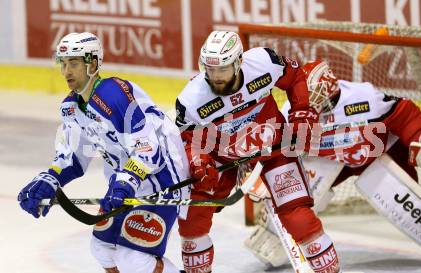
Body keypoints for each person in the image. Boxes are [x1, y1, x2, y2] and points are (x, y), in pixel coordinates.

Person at [17, 32, 189, 273]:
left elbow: (149, 151)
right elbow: (73, 158)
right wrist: (50, 179)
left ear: (93, 64)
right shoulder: (70, 107)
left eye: (74, 64)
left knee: (134, 260)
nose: (66, 72)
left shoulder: (114, 94)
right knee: (102, 249)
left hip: (162, 179)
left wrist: (125, 183)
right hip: (126, 181)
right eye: (63, 64)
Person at [246, 59, 421, 267]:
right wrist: (263, 174)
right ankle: (272, 235)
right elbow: (274, 146)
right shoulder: (290, 110)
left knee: (408, 204)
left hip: (382, 153)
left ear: (329, 88)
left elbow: (403, 112)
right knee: (293, 191)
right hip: (335, 161)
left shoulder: (362, 97)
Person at [175, 31, 341, 273]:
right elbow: (188, 139)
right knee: (192, 221)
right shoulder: (191, 100)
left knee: (298, 216)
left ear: (238, 62)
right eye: (210, 70)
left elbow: (295, 77)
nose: (215, 78)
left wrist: (301, 112)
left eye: (222, 70)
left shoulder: (264, 63)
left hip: (274, 148)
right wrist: (199, 162)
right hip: (223, 158)